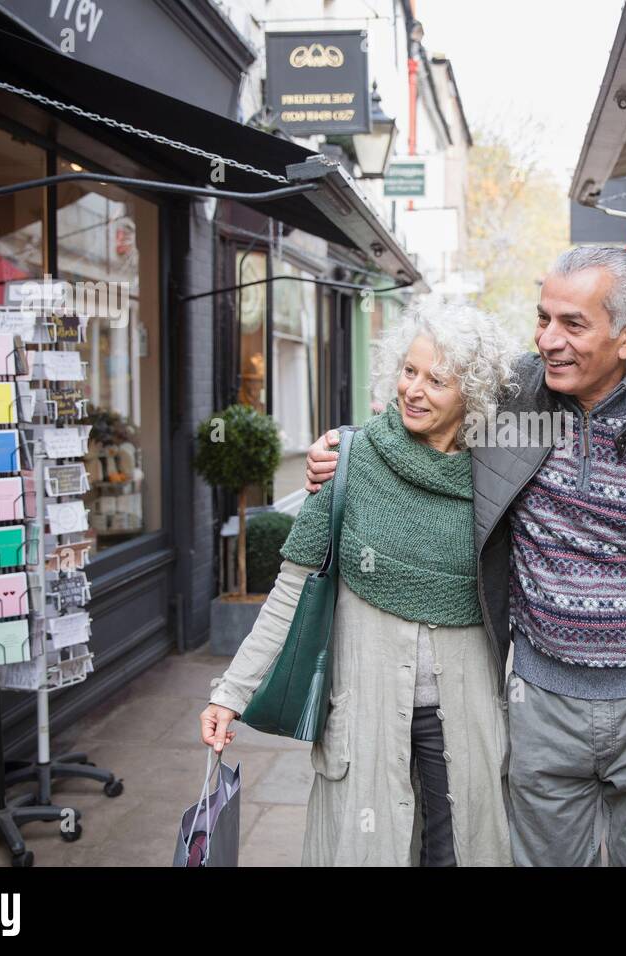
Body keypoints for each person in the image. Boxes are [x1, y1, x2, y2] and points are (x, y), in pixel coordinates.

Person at [308, 247, 626, 867]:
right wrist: (344, 450)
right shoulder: (507, 398)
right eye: (543, 318)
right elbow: (421, 418)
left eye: (573, 324)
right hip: (540, 705)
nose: (549, 339)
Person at [201, 303, 521, 867]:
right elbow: (293, 591)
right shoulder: (350, 461)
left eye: (436, 380)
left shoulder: (500, 477)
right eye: (409, 370)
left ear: (470, 393)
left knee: (459, 854)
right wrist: (230, 692)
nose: (413, 390)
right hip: (366, 711)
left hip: (466, 717)